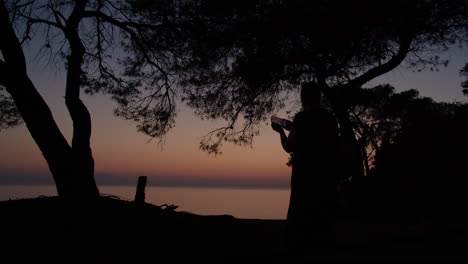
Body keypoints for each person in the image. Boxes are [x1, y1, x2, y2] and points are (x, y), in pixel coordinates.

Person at [271, 82, 338, 255]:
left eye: (302, 94)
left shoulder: (302, 118)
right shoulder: (330, 118)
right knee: (321, 209)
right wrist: (289, 125)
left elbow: (289, 146)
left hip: (304, 172)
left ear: (305, 97)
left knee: (300, 209)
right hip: (325, 172)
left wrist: (280, 131)